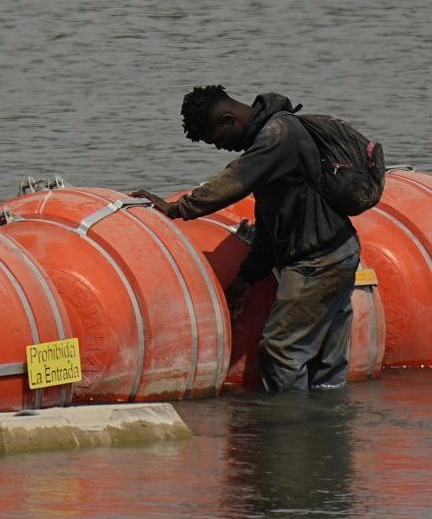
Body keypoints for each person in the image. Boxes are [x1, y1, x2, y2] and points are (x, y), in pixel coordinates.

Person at [132, 86, 361, 393]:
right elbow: (271, 223)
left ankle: (290, 433)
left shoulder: (277, 136)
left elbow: (234, 181)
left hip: (316, 262)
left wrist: (176, 208)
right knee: (325, 362)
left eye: (216, 140)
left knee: (281, 352)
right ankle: (326, 430)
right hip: (338, 251)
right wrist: (249, 275)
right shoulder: (277, 138)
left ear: (229, 120)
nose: (219, 148)